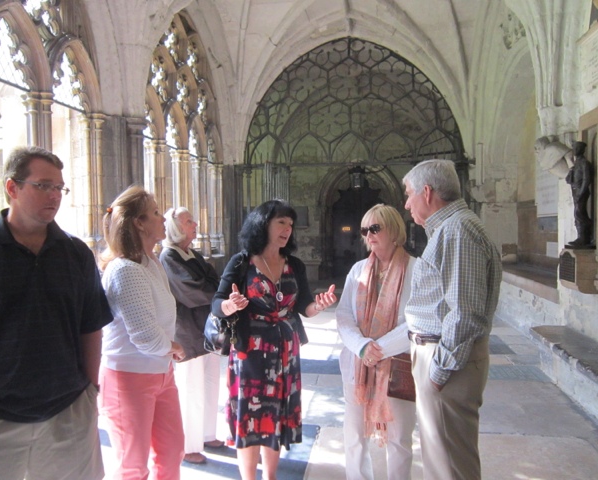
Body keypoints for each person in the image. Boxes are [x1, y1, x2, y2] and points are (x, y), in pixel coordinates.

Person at [0, 146, 112, 480]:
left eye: (59, 187)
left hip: (67, 411)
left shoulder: (76, 253)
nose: (55, 195)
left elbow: (91, 326)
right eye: (43, 185)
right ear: (12, 188)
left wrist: (90, 392)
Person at [212, 199, 337, 480]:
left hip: (285, 352)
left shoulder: (294, 265)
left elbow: (305, 306)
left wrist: (319, 306)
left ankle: (270, 477)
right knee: (250, 416)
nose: (287, 229)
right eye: (281, 222)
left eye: (290, 224)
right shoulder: (242, 262)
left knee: (276, 414)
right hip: (250, 352)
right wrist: (230, 305)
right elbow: (217, 302)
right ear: (263, 224)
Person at [403, 159, 502, 480]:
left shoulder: (457, 231)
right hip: (439, 357)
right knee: (442, 461)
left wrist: (438, 373)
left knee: (450, 468)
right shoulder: (451, 229)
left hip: (446, 362)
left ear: (427, 192)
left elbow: (465, 313)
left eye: (409, 194)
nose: (406, 204)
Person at [99, 186, 186, 480]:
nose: (163, 218)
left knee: (172, 453)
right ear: (139, 223)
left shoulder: (150, 262)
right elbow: (146, 337)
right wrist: (173, 346)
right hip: (129, 377)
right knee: (133, 466)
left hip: (161, 372)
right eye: (156, 213)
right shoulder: (125, 269)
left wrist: (168, 350)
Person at [336, 204, 417, 480]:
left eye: (375, 228)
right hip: (358, 364)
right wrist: (362, 346)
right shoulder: (358, 270)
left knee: (399, 438)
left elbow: (418, 319)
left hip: (399, 364)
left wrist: (378, 349)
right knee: (354, 436)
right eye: (364, 230)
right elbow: (344, 315)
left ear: (394, 231)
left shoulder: (416, 269)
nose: (368, 235)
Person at [159, 207, 225, 465]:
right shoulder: (169, 256)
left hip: (205, 327)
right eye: (188, 221)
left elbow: (214, 279)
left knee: (210, 382)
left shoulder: (192, 253)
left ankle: (207, 434)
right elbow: (191, 290)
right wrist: (217, 294)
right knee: (191, 390)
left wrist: (215, 291)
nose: (195, 224)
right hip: (186, 330)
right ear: (175, 228)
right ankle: (188, 446)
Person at [565, 141, 593, 247]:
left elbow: (586, 179)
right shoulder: (576, 163)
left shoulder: (584, 163)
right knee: (577, 215)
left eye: (577, 148)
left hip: (581, 192)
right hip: (575, 191)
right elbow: (568, 180)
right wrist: (571, 172)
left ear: (582, 150)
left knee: (579, 214)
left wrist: (581, 193)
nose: (575, 150)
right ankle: (581, 237)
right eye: (574, 148)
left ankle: (584, 238)